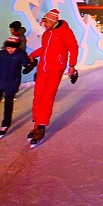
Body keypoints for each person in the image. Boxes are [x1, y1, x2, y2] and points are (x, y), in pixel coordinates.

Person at [27, 8, 79, 147]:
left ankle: (41, 126)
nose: (44, 24)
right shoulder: (47, 34)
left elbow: (73, 48)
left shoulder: (65, 32)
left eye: (46, 22)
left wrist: (72, 65)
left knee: (47, 97)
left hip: (55, 69)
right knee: (38, 95)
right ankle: (37, 123)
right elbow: (44, 49)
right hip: (43, 68)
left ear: (53, 21)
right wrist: (32, 55)